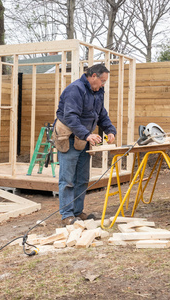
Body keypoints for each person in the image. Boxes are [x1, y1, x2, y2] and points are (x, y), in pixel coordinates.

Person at [53, 63, 116, 225]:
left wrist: (110, 130)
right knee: (67, 179)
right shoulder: (75, 90)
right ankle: (67, 215)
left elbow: (101, 115)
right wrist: (87, 134)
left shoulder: (97, 92)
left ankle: (77, 212)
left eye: (105, 82)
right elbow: (70, 117)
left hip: (84, 139)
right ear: (93, 76)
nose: (103, 85)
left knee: (82, 178)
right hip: (69, 138)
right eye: (102, 81)